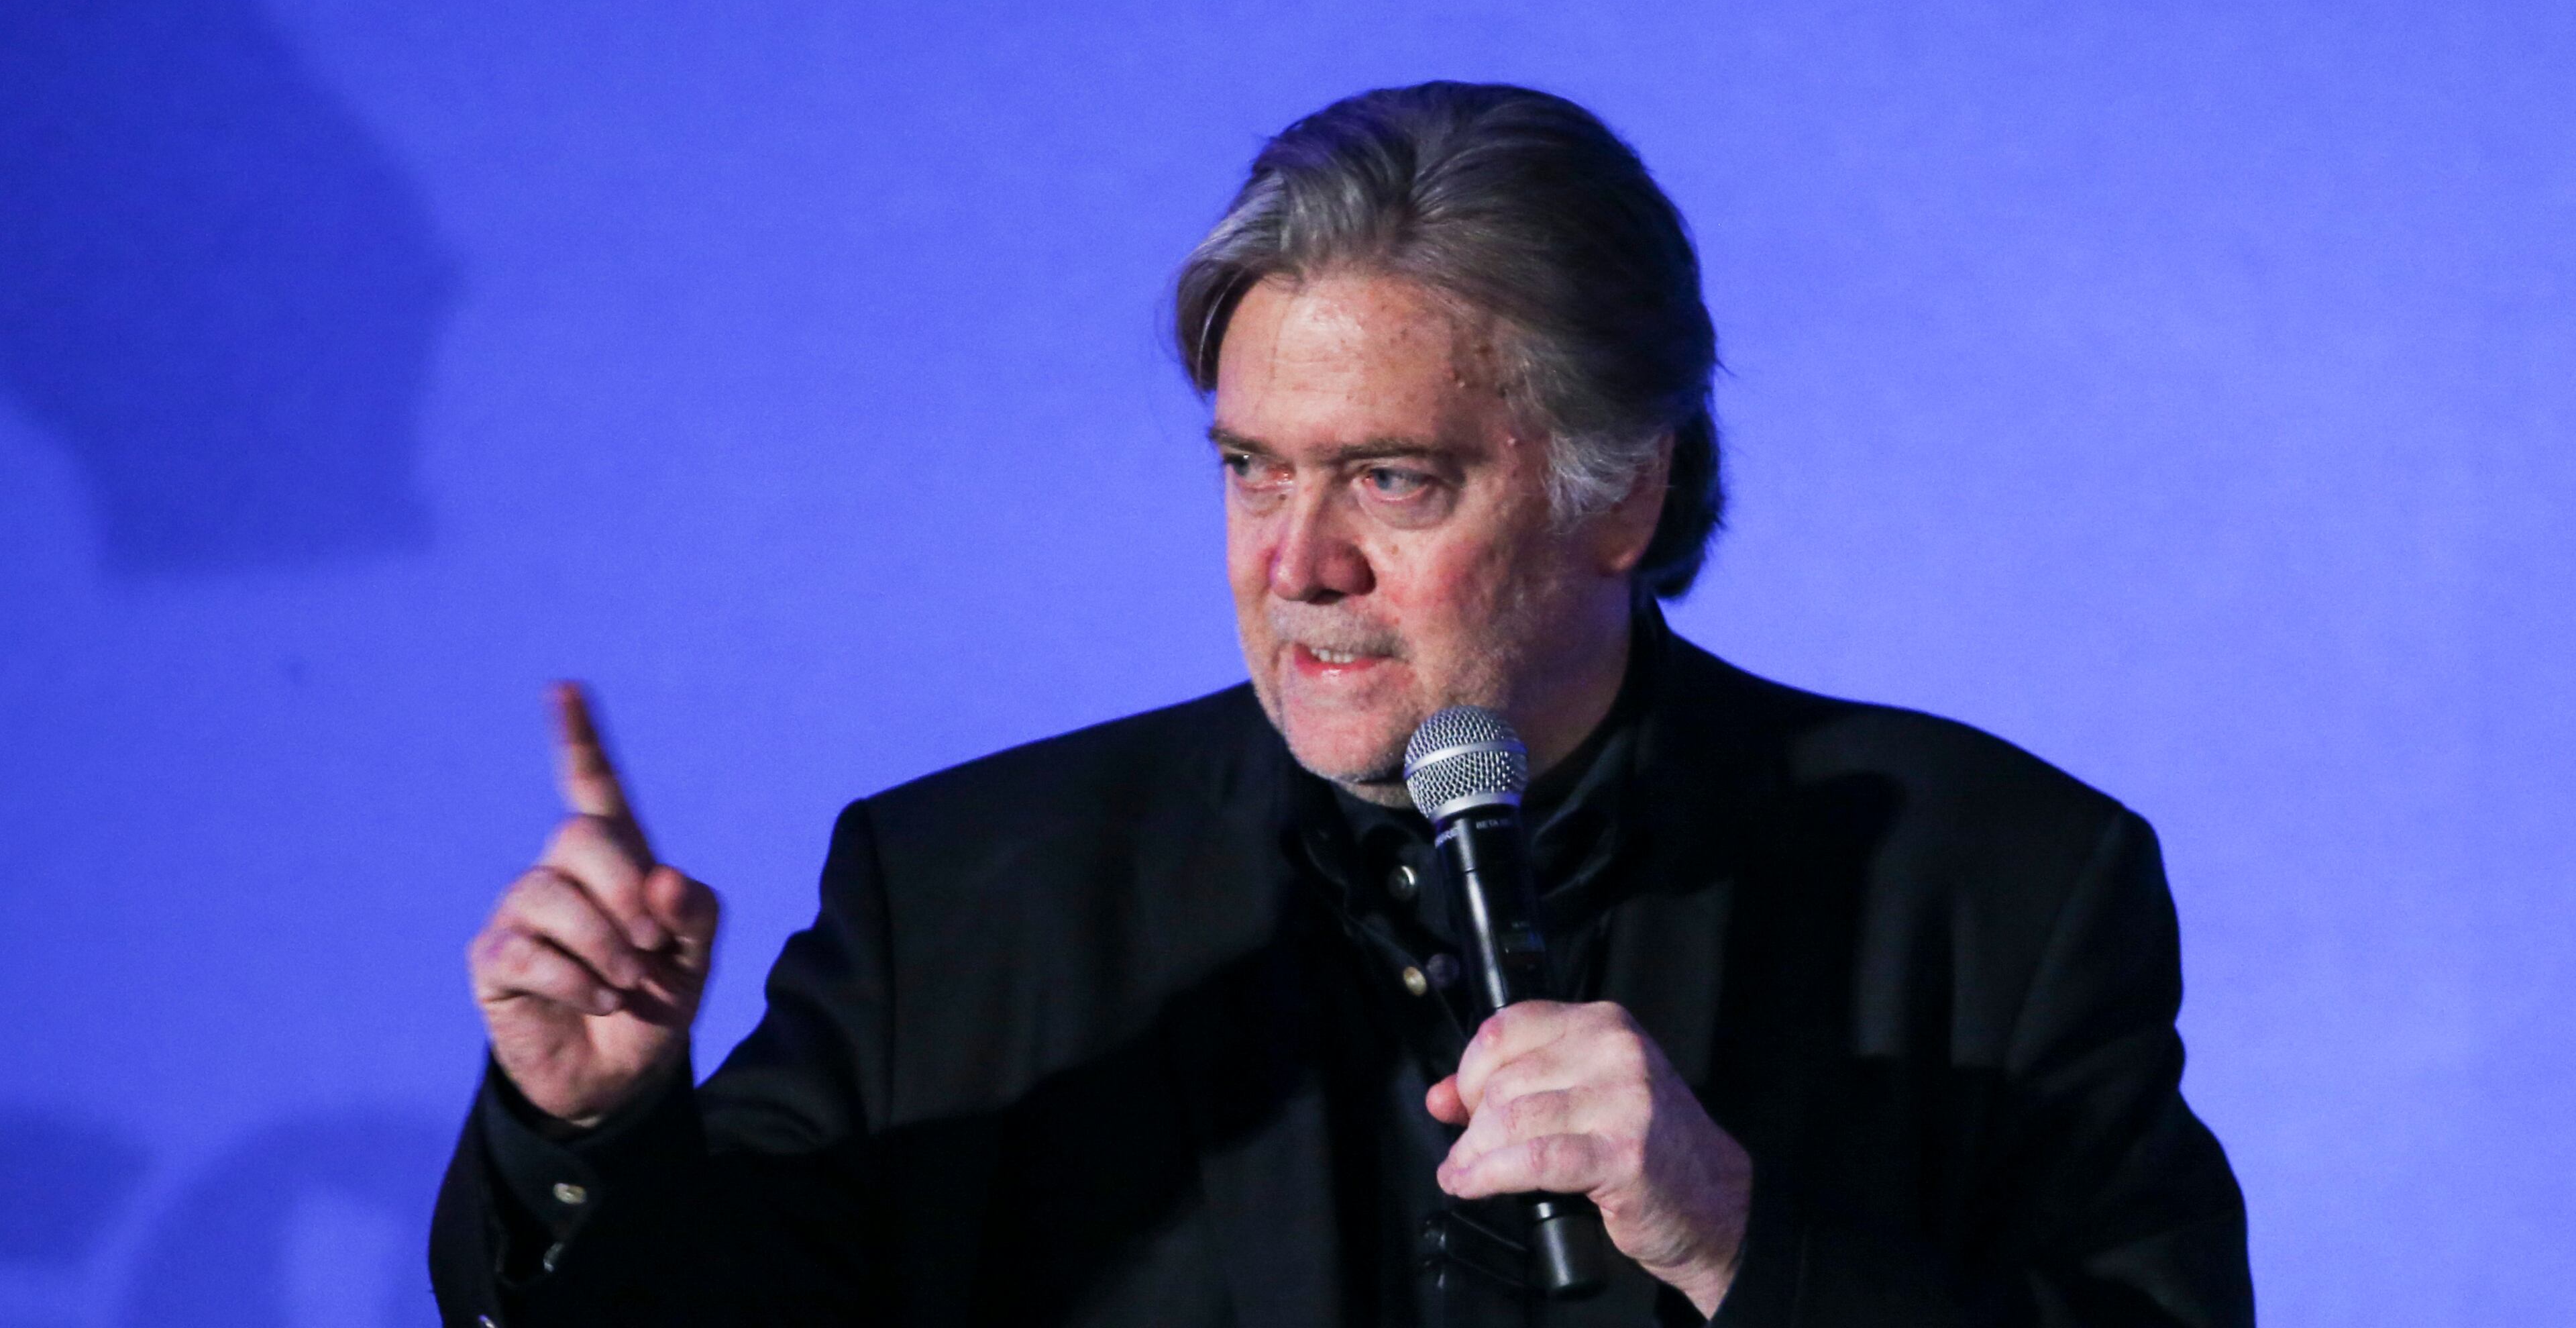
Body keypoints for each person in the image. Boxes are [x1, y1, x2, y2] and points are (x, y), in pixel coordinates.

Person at [431, 83, 2254, 1327]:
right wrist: (592, 1130)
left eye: (1390, 479)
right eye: (1249, 470)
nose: (1293, 565)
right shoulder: (962, 896)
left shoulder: (2002, 884)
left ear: (1621, 489)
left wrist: (1735, 1239)